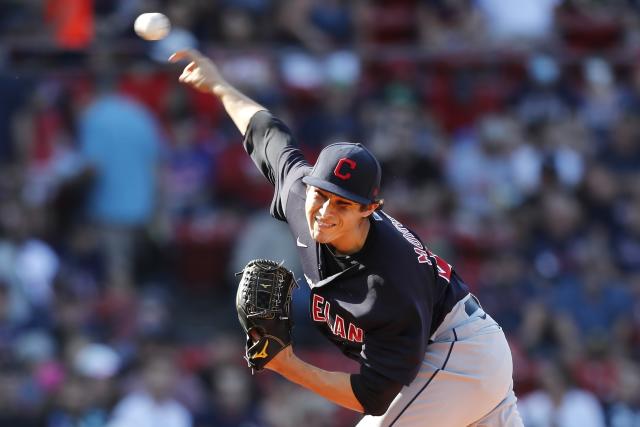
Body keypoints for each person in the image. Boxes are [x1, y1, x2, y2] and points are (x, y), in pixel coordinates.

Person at [169, 49, 523, 427]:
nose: (324, 211)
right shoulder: (300, 195)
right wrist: (220, 86)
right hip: (460, 357)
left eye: (342, 204)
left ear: (369, 209)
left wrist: (287, 365)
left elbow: (371, 396)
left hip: (456, 355)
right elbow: (265, 129)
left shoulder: (387, 281)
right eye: (321, 195)